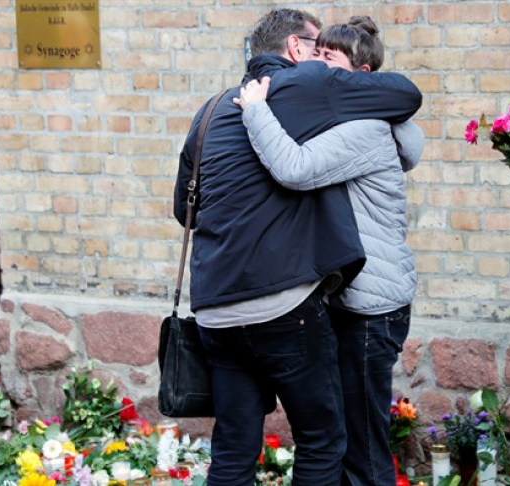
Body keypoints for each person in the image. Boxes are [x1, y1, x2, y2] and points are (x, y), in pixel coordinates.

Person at [173, 8, 422, 486]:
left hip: (215, 308)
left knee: (233, 449)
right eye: (317, 50)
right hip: (282, 303)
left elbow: (186, 209)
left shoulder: (210, 109)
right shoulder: (309, 86)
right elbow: (405, 95)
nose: (322, 62)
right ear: (295, 48)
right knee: (322, 441)